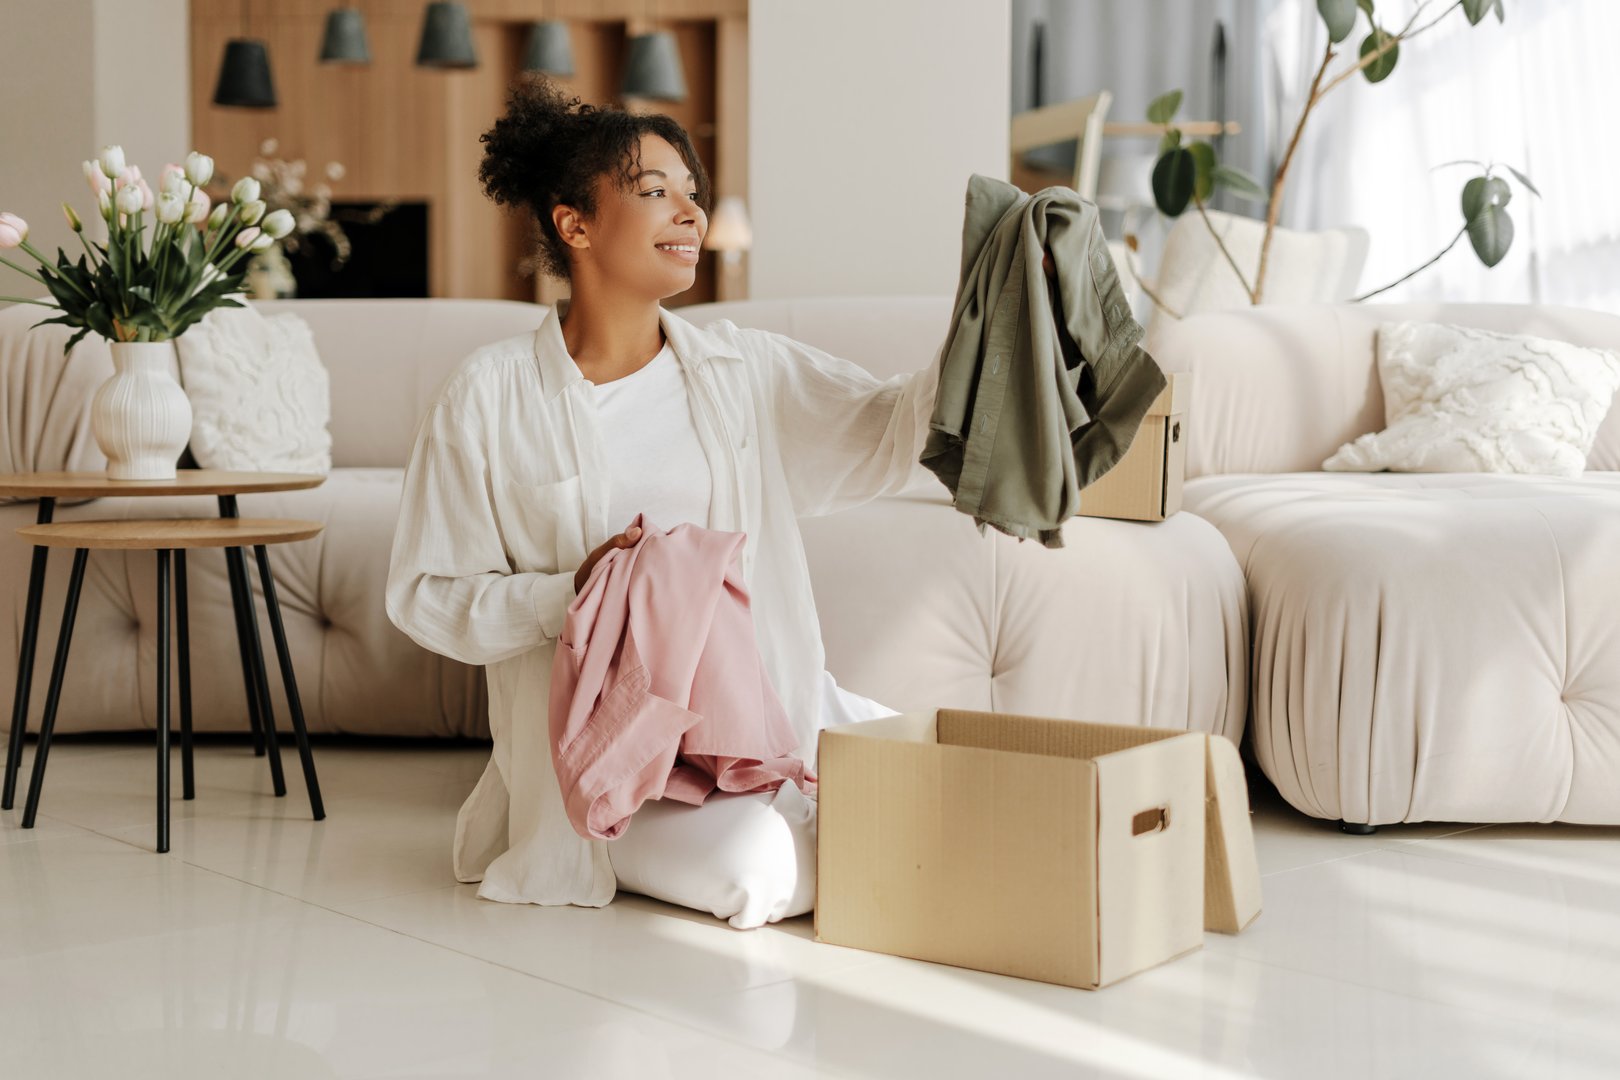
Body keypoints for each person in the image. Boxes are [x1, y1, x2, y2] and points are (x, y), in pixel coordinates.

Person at [384, 75, 939, 921]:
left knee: (948, 780)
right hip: (618, 772)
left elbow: (890, 429)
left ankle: (813, 796)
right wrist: (571, 593)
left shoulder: (741, 368)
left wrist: (991, 325)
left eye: (692, 193)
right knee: (765, 871)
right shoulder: (487, 396)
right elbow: (426, 597)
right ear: (574, 224)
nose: (691, 214)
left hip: (760, 720)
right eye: (653, 192)